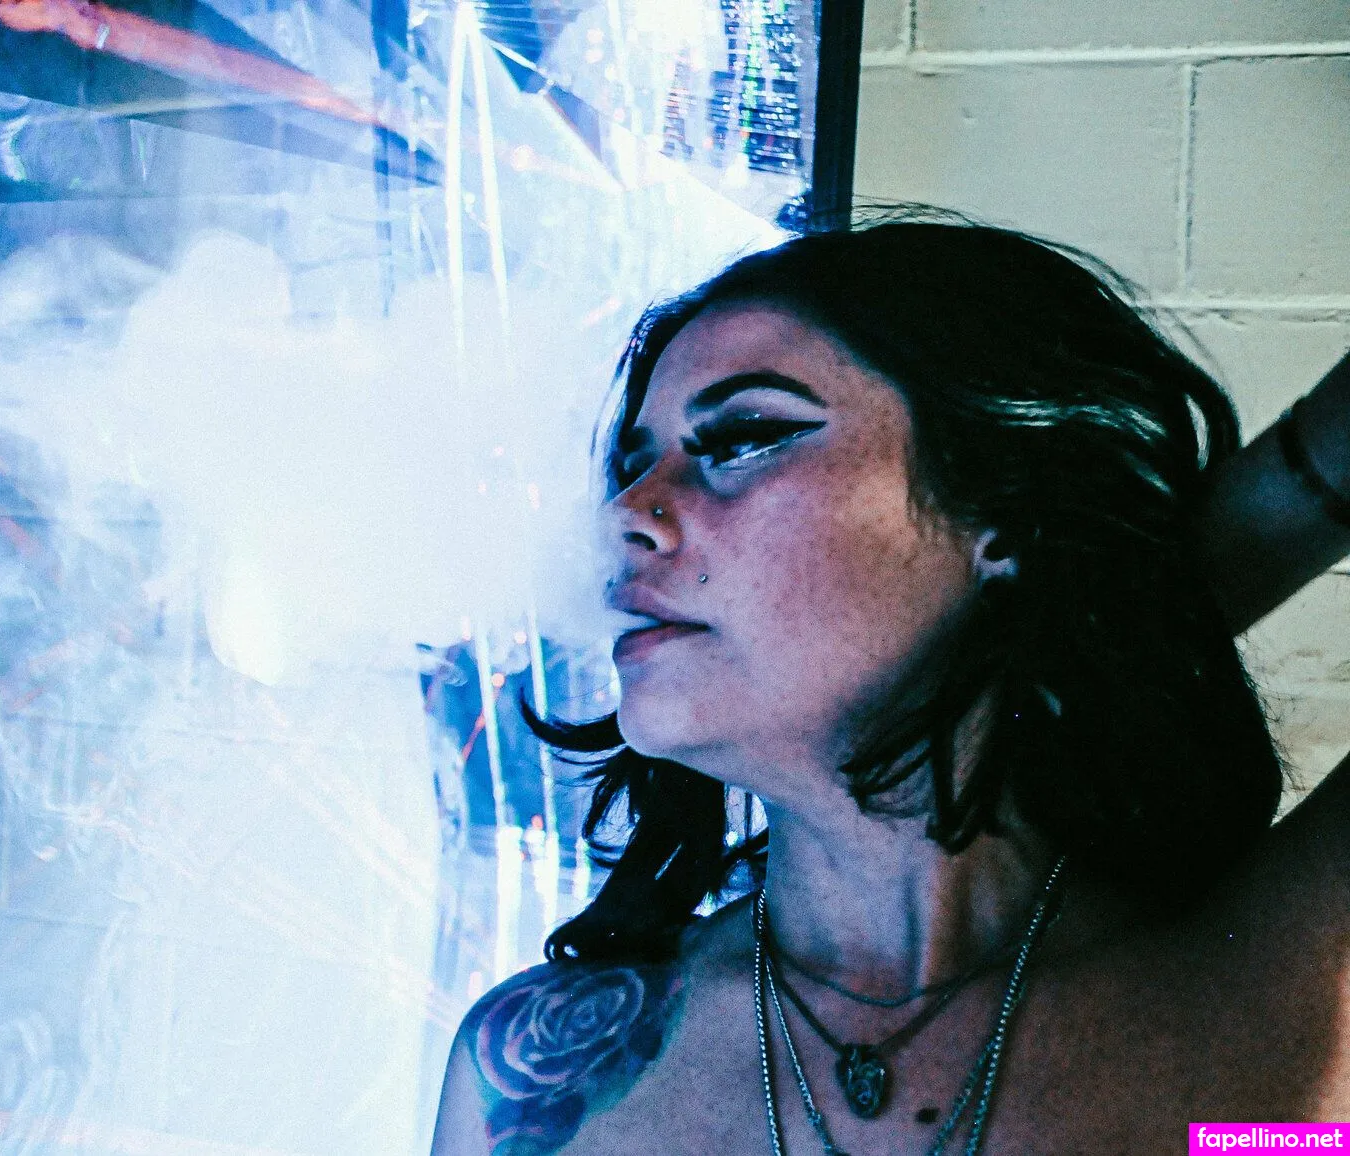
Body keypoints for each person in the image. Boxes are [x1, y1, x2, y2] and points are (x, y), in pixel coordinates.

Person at [429, 218, 1350, 1155]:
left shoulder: (1297, 977)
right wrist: (1093, 621)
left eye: (745, 437)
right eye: (633, 468)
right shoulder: (529, 1077)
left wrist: (1104, 594)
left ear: (1005, 512)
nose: (628, 513)